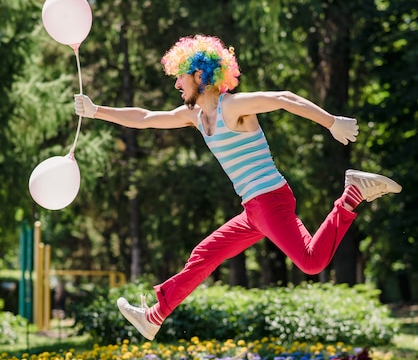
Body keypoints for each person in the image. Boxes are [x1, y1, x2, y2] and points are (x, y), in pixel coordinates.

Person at [74, 34, 402, 341]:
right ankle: (155, 316)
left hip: (269, 202)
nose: (176, 84)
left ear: (201, 76)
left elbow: (283, 98)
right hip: (254, 209)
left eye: (181, 77)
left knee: (312, 263)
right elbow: (145, 118)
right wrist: (95, 111)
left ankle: (351, 194)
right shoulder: (196, 116)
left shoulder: (232, 106)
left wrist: (332, 122)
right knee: (204, 254)